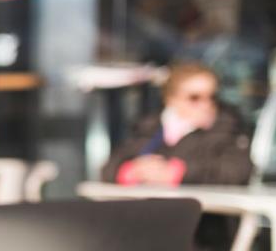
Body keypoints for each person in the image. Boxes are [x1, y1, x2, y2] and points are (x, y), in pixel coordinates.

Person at [101, 61, 252, 187]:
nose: (206, 104)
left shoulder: (228, 128)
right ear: (170, 99)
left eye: (212, 97)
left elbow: (237, 172)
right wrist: (133, 171)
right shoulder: (148, 128)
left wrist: (177, 173)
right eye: (194, 98)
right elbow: (109, 168)